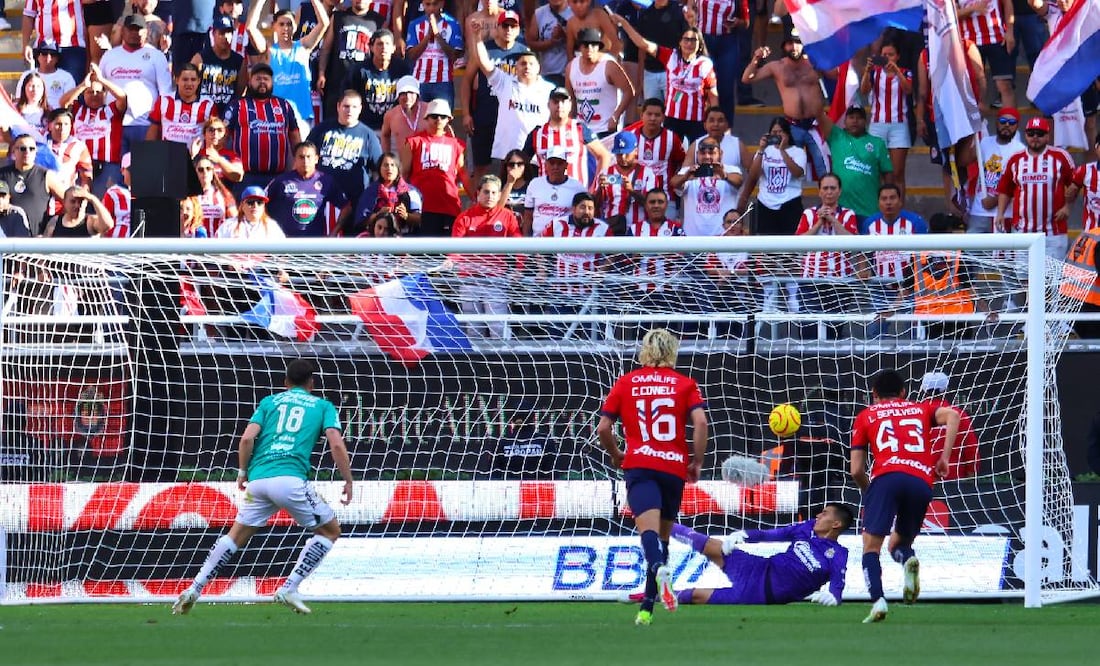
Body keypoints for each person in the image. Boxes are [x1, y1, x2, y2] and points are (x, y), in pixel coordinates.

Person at [172, 359, 354, 616]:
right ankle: (289, 588)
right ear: (311, 383)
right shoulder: (323, 406)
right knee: (330, 531)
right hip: (290, 480)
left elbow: (247, 438)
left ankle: (195, 587)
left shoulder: (269, 402)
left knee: (235, 536)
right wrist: (348, 480)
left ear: (285, 383)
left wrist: (242, 472)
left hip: (258, 482)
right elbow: (336, 444)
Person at [596, 328, 708, 625]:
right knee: (663, 537)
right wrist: (696, 461)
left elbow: (603, 428)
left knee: (648, 532)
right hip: (673, 468)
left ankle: (658, 569)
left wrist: (615, 454)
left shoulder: (626, 382)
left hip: (641, 464)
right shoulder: (685, 384)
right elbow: (701, 423)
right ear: (672, 351)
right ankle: (646, 609)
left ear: (644, 350)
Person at [850, 369, 959, 623]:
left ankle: (878, 601)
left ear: (874, 394)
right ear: (903, 392)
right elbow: (953, 416)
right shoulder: (920, 409)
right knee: (897, 545)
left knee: (871, 547)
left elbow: (856, 470)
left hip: (886, 478)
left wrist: (871, 492)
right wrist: (944, 458)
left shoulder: (866, 415)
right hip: (920, 480)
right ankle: (908, 559)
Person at [660, 503, 852, 606]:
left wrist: (833, 597)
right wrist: (744, 535)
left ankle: (656, 595)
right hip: (758, 567)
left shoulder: (838, 554)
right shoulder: (806, 528)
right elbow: (771, 535)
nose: (818, 516)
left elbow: (837, 586)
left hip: (761, 594)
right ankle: (660, 523)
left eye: (825, 514)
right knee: (712, 545)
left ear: (836, 524)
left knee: (696, 596)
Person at [612, 13, 717, 141]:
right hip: (672, 119)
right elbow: (643, 44)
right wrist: (623, 23)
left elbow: (713, 96)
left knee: (697, 152)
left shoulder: (705, 64)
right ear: (680, 42)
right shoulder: (671, 56)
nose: (689, 43)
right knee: (670, 151)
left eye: (693, 40)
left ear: (700, 44)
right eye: (686, 39)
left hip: (696, 120)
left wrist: (713, 120)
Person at [742, 32, 828, 178]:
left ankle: (827, 194)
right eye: (790, 43)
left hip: (816, 124)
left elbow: (836, 73)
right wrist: (756, 58)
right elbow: (747, 78)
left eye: (797, 42)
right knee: (791, 169)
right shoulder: (777, 66)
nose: (794, 47)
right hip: (792, 125)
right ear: (784, 46)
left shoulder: (815, 62)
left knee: (823, 167)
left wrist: (826, 52)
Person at [451, 174, 524, 339]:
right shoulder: (464, 218)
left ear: (499, 195)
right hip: (469, 280)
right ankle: (476, 357)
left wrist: (519, 269)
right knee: (473, 329)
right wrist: (451, 261)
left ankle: (503, 356)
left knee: (498, 326)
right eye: (486, 192)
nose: (489, 196)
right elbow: (455, 248)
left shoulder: (507, 216)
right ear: (478, 193)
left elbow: (519, 244)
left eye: (493, 193)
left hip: (495, 280)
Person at [995, 117, 1075, 260]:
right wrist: (1000, 213)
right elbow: (1005, 189)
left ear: (1048, 136)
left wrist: (1067, 207)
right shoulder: (1015, 159)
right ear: (1025, 135)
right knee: (1023, 274)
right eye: (1031, 133)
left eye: (1040, 133)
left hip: (1053, 232)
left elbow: (1075, 184)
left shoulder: (1061, 157)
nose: (1035, 137)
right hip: (1022, 231)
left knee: (1052, 274)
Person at [249, 0, 331, 135]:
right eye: (281, 24)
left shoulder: (303, 47)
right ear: (274, 26)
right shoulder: (269, 51)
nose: (285, 28)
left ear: (295, 26)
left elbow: (324, 23)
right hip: (276, 117)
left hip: (301, 117)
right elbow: (250, 28)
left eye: (289, 24)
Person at [471, 41, 556, 167]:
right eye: (523, 63)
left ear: (539, 67)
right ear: (516, 67)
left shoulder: (550, 89)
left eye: (531, 64)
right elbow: (484, 63)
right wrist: (477, 38)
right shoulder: (504, 83)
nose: (527, 67)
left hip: (537, 154)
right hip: (508, 154)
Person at [98, 14, 174, 154]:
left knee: (143, 167)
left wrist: (157, 123)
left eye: (139, 29)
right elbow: (98, 86)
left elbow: (166, 93)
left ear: (146, 32)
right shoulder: (109, 56)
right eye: (131, 29)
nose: (135, 33)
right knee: (114, 168)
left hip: (145, 124)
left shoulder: (156, 55)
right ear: (123, 31)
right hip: (113, 123)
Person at [400, 98, 472, 236]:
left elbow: (463, 174)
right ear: (426, 118)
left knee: (448, 248)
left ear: (448, 119)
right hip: (421, 208)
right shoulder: (414, 142)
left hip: (449, 206)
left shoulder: (457, 144)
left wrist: (475, 199)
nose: (438, 119)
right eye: (434, 116)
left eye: (443, 116)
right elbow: (404, 174)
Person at [228, 63, 303, 193]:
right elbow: (222, 138)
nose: (262, 82)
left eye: (266, 79)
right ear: (250, 82)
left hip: (277, 177)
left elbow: (295, 138)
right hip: (245, 177)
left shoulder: (284, 105)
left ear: (272, 82)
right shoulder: (237, 105)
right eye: (258, 78)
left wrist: (297, 165)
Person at [817, 105, 893, 224]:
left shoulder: (877, 143)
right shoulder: (836, 136)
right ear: (845, 121)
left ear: (865, 121)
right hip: (840, 211)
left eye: (859, 117)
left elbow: (888, 175)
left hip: (870, 210)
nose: (855, 121)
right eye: (851, 117)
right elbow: (818, 113)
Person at [62, 62, 129, 197]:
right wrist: (83, 85)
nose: (94, 95)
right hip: (80, 167)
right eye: (90, 92)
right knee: (79, 203)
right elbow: (63, 103)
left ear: (105, 94)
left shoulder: (111, 110)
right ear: (84, 95)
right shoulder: (77, 110)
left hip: (107, 166)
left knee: (105, 203)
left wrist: (101, 80)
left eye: (98, 92)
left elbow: (122, 97)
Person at [307, 90, 383, 205]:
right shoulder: (321, 129)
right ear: (338, 106)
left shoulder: (369, 136)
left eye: (354, 107)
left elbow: (379, 169)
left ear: (360, 109)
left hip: (354, 201)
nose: (350, 111)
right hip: (321, 196)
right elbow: (305, 156)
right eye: (346, 106)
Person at [523, 86, 611, 185]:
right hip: (545, 192)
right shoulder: (537, 133)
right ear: (548, 105)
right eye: (555, 102)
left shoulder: (580, 129)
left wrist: (596, 186)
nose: (559, 105)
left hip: (576, 192)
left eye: (563, 102)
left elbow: (604, 155)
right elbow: (521, 163)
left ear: (570, 105)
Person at [860, 41, 912, 201]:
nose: (887, 57)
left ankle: (899, 209)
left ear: (898, 56)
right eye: (884, 55)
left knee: (897, 172)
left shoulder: (906, 72)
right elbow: (864, 91)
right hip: (877, 125)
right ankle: (879, 206)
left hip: (899, 125)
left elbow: (908, 90)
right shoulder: (874, 73)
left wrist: (896, 71)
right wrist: (867, 71)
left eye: (891, 54)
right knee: (877, 171)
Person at [316, 0, 387, 117]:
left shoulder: (378, 20)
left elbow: (381, 53)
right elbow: (326, 48)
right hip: (337, 80)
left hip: (363, 82)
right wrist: (321, 73)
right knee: (333, 121)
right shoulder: (338, 16)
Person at [265, 141, 349, 237]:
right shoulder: (281, 181)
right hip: (287, 240)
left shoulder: (326, 181)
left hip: (314, 241)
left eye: (309, 157)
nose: (305, 161)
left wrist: (334, 231)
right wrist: (269, 228)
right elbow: (261, 203)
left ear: (316, 159)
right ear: (295, 159)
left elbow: (346, 207)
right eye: (301, 157)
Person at [739, 117, 806, 235]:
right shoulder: (766, 151)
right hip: (766, 203)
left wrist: (782, 151)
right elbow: (754, 174)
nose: (778, 135)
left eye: (781, 132)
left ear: (788, 134)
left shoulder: (798, 152)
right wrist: (761, 149)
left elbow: (797, 173)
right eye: (774, 132)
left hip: (790, 202)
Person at [564, 28, 634, 137]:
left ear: (599, 46)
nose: (590, 48)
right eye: (585, 45)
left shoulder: (609, 65)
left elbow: (629, 91)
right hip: (581, 129)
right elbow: (570, 98)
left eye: (594, 45)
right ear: (580, 47)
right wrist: (568, 121)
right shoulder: (571, 67)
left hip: (605, 128)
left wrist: (616, 116)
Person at [671, 137, 743, 237]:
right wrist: (686, 177)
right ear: (697, 154)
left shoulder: (730, 170)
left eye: (712, 153)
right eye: (702, 153)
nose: (707, 156)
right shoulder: (689, 171)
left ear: (720, 154)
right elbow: (673, 183)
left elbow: (739, 181)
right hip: (693, 237)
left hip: (722, 237)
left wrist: (724, 175)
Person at [341, 28, 410, 132]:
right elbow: (347, 96)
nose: (384, 47)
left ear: (393, 48)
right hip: (365, 127)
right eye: (379, 44)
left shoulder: (403, 70)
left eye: (387, 44)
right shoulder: (359, 70)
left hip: (393, 127)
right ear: (371, 47)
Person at [0, 134, 69, 236]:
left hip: (36, 238)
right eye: (23, 148)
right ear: (13, 151)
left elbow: (69, 201)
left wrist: (55, 223)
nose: (27, 152)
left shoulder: (46, 175)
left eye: (31, 149)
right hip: (6, 238)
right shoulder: (2, 174)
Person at [970, 107, 1024, 234]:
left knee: (999, 248)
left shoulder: (1020, 150)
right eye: (1003, 121)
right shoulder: (984, 142)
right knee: (971, 246)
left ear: (1017, 126)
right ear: (996, 122)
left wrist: (994, 201)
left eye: (1012, 123)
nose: (1007, 125)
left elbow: (1018, 186)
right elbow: (965, 160)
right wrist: (971, 129)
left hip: (1003, 214)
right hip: (979, 211)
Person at [918, 371, 981, 480]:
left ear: (923, 389)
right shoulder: (958, 414)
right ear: (946, 389)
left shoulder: (913, 414)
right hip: (953, 479)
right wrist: (971, 475)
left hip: (920, 478)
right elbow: (971, 448)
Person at [347, 152, 422, 237]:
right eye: (385, 165)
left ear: (398, 169)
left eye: (392, 165)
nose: (389, 168)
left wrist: (406, 215)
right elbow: (361, 221)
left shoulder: (411, 191)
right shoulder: (371, 191)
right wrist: (378, 215)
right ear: (379, 168)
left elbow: (420, 219)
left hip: (404, 238)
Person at [404, 0, 463, 106]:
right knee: (420, 116)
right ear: (422, 4)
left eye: (435, 4)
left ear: (442, 3)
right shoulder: (415, 24)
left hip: (443, 81)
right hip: (419, 80)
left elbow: (454, 56)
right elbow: (411, 55)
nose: (431, 8)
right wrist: (428, 37)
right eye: (427, 4)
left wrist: (437, 35)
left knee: (442, 116)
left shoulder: (453, 24)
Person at [523, 145, 586, 237]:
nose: (555, 167)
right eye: (552, 163)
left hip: (566, 240)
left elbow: (583, 216)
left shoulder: (577, 187)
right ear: (546, 165)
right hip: (538, 240)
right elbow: (528, 216)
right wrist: (525, 240)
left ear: (566, 165)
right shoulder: (535, 184)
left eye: (559, 163)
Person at [146, 64, 219, 144]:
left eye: (193, 80)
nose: (189, 83)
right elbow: (153, 129)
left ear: (198, 81)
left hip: (197, 152)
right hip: (168, 151)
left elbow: (215, 134)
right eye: (185, 79)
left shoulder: (208, 104)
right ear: (176, 80)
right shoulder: (164, 100)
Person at [192, 14, 247, 116]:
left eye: (229, 32)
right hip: (202, 112)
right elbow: (191, 85)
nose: (225, 37)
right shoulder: (200, 58)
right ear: (213, 34)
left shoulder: (239, 61)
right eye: (221, 33)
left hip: (228, 113)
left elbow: (240, 92)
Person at [216, 186, 288, 238]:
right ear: (242, 206)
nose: (255, 206)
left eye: (259, 203)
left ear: (263, 206)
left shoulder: (272, 226)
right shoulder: (228, 225)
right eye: (250, 202)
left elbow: (282, 252)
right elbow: (216, 250)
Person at [42, 186, 115, 237]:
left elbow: (108, 225)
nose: (77, 205)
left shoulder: (90, 221)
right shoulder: (55, 221)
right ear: (64, 202)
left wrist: (92, 199)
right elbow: (45, 248)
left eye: (81, 202)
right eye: (73, 201)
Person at [380, 76, 427, 154]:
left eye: (411, 93)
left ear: (417, 95)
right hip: (402, 159)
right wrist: (386, 155)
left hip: (426, 159)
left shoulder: (429, 110)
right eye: (403, 93)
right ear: (398, 96)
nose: (407, 97)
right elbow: (385, 135)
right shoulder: (391, 115)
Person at [29, 40, 76, 110]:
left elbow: (70, 104)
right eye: (44, 53)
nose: (48, 57)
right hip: (31, 113)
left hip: (57, 114)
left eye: (53, 54)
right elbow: (19, 100)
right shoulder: (27, 75)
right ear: (37, 56)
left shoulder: (66, 77)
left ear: (57, 58)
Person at [499, 149, 537, 220]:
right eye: (511, 164)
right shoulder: (499, 185)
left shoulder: (532, 185)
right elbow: (497, 209)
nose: (515, 167)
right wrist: (509, 183)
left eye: (519, 164)